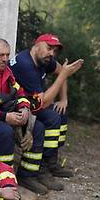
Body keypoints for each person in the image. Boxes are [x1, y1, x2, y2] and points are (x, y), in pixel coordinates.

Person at [10, 34, 84, 190]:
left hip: (32, 104)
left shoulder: (44, 60)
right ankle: (35, 172)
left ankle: (50, 163)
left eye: (55, 51)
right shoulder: (25, 65)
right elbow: (41, 104)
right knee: (50, 119)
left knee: (60, 112)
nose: (52, 54)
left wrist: (63, 99)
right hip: (15, 107)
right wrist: (64, 74)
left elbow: (60, 71)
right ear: (36, 46)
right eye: (49, 48)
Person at [0, 39, 48, 195]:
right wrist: (5, 117)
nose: (5, 59)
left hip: (6, 114)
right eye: (1, 55)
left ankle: (28, 176)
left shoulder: (7, 72)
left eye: (7, 55)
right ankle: (2, 178)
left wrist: (25, 108)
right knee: (4, 131)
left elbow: (20, 93)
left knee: (38, 128)